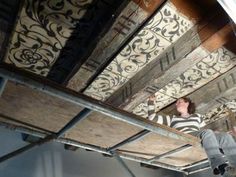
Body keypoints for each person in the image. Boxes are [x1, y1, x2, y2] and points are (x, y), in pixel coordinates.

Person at [148, 95, 236, 176]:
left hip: (198, 136)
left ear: (187, 103)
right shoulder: (172, 118)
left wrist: (215, 133)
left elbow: (204, 131)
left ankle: (234, 167)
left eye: (179, 101)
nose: (176, 104)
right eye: (176, 103)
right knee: (208, 132)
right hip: (184, 137)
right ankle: (219, 165)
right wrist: (151, 101)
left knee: (225, 137)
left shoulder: (197, 117)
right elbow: (152, 118)